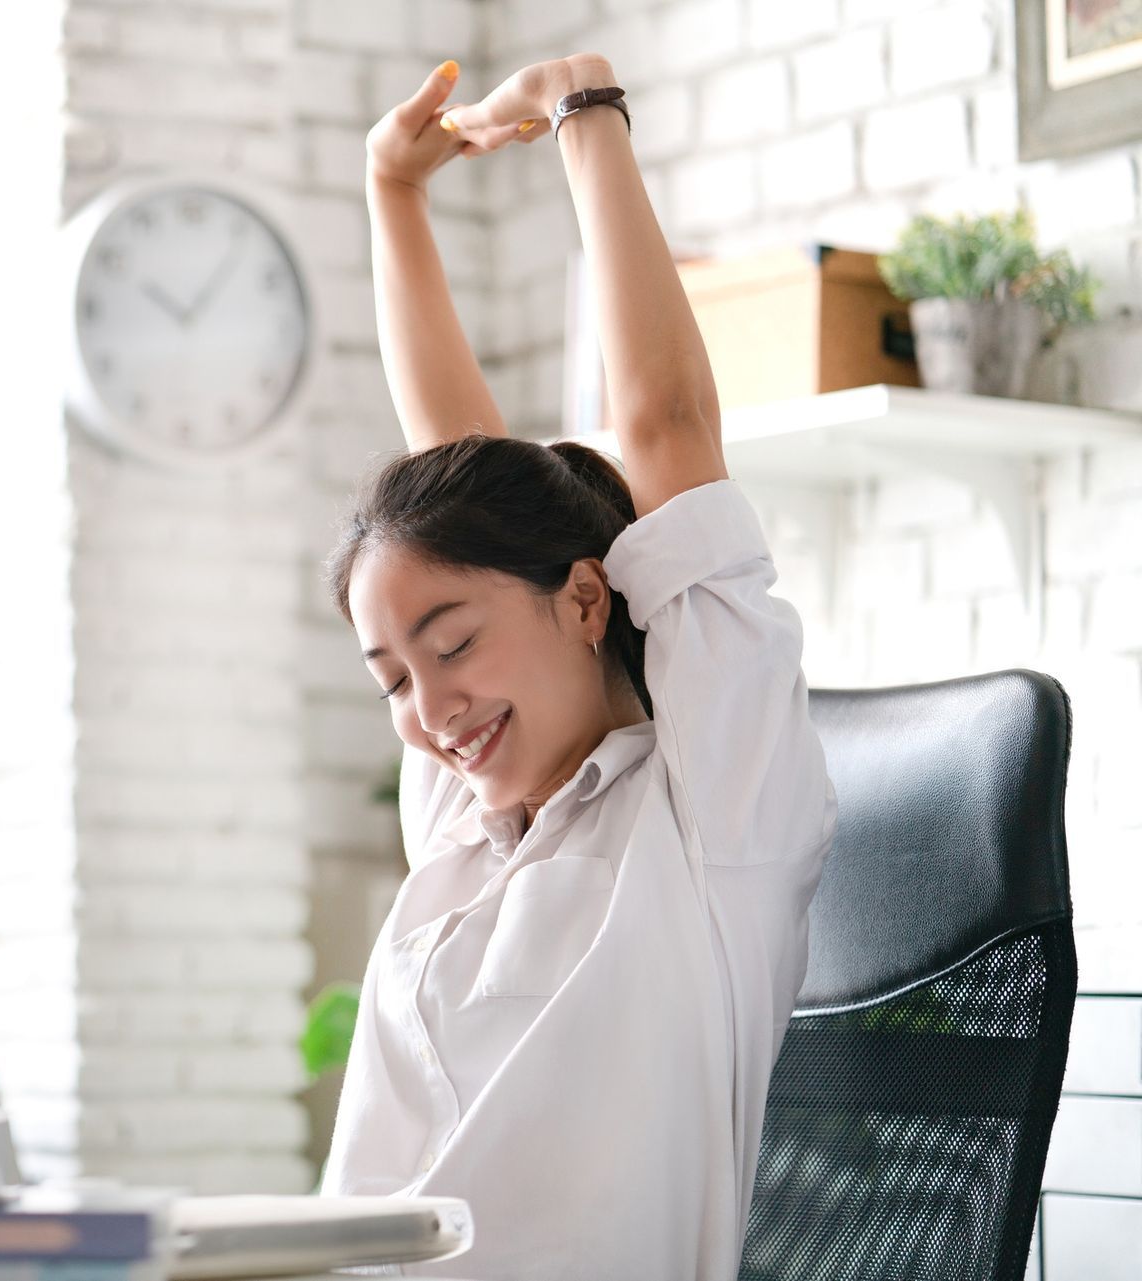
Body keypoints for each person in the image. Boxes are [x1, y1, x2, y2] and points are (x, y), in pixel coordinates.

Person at [318, 53, 838, 1279]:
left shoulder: (713, 812)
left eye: (449, 648)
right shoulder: (464, 826)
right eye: (392, 678)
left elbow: (663, 428)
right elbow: (461, 484)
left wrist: (584, 112)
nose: (430, 711)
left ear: (587, 598)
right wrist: (392, 191)